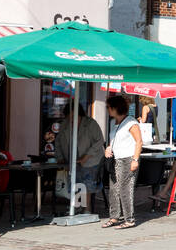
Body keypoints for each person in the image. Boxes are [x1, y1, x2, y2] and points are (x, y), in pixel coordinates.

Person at [103, 94, 142, 229]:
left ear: (115, 108)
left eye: (108, 107)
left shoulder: (131, 122)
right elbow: (114, 141)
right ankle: (114, 217)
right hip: (116, 159)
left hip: (128, 158)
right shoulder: (113, 123)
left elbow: (139, 141)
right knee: (113, 188)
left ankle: (129, 219)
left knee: (125, 189)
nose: (107, 109)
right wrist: (108, 148)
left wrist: (135, 160)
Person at [57, 102, 105, 198]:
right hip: (72, 161)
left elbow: (100, 141)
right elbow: (58, 142)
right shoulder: (64, 124)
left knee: (86, 186)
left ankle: (86, 210)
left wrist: (86, 157)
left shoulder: (90, 123)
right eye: (69, 118)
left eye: (74, 117)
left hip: (91, 161)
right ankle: (78, 208)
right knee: (75, 186)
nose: (71, 120)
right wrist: (60, 158)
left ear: (79, 114)